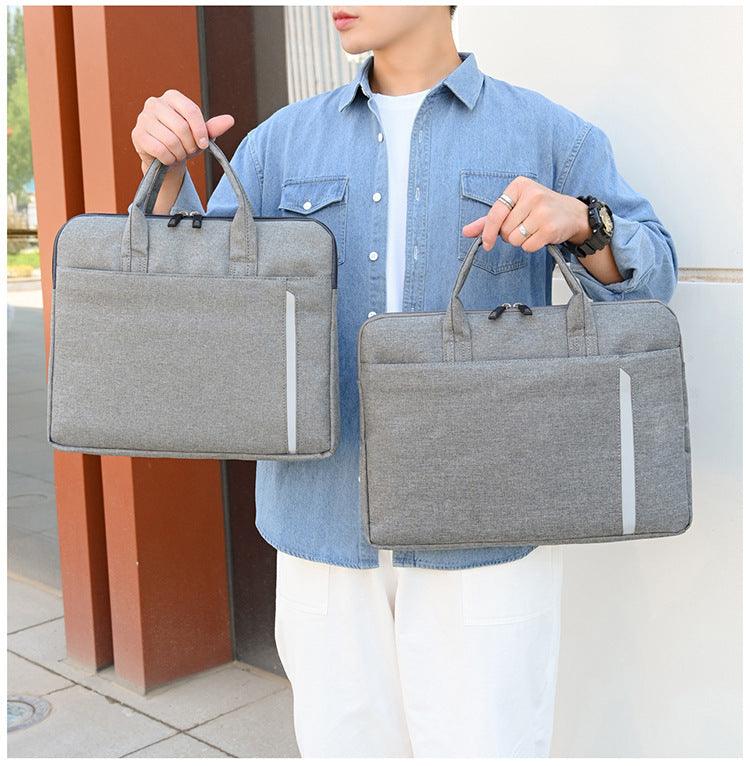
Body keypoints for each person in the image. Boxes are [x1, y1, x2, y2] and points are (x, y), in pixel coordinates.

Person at [131, 5, 677, 758]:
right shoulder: (282, 141)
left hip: (486, 530)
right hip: (320, 528)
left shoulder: (549, 134)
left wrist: (584, 223)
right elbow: (200, 309)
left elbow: (654, 281)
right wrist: (168, 176)